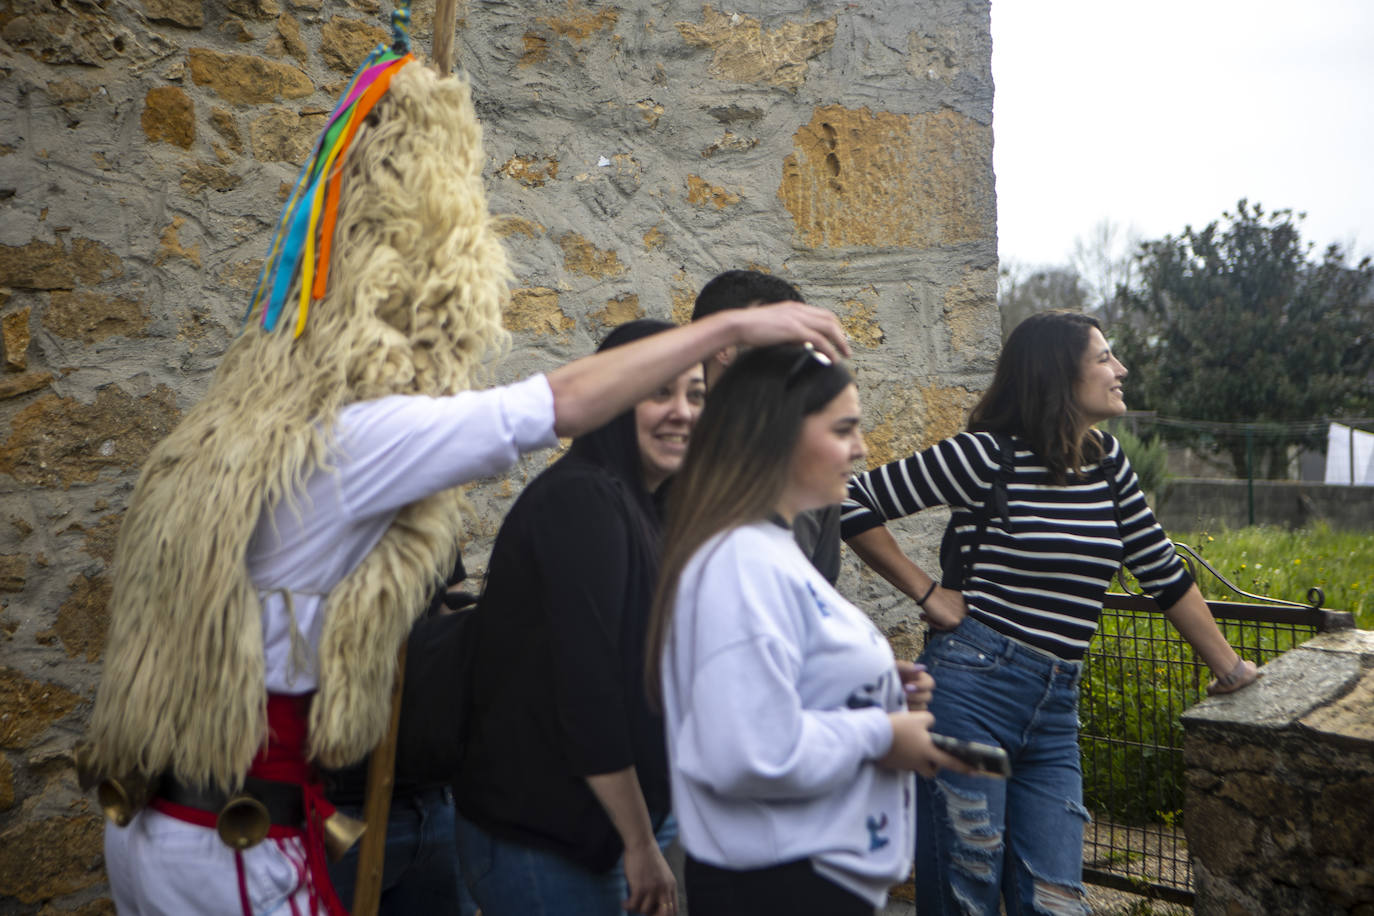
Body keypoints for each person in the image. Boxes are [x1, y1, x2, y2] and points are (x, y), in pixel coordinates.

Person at [81, 52, 850, 916]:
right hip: (235, 847)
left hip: (150, 830)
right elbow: (555, 403)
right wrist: (737, 326)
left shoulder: (217, 436)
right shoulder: (355, 438)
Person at [840, 310, 1261, 915]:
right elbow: (851, 497)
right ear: (1059, 374)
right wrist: (928, 594)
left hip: (1057, 705)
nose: (1120, 369)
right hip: (971, 691)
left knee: (1057, 899)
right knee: (968, 888)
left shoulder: (1109, 463)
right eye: (1104, 358)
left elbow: (1162, 571)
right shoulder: (987, 456)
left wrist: (1230, 670)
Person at [646, 344, 967, 916]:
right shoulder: (740, 560)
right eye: (843, 429)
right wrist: (880, 734)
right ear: (778, 436)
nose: (861, 449)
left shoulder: (769, 548)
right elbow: (746, 751)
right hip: (778, 886)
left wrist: (859, 685)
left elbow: (771, 686)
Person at [454, 318, 699, 916]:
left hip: (625, 825)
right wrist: (640, 842)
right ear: (613, 399)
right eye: (658, 392)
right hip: (553, 839)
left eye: (696, 395)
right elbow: (588, 690)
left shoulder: (649, 505)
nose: (683, 412)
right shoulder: (582, 501)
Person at [691, 269, 843, 584]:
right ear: (724, 345)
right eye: (778, 337)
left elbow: (819, 582)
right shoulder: (666, 444)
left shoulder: (808, 460)